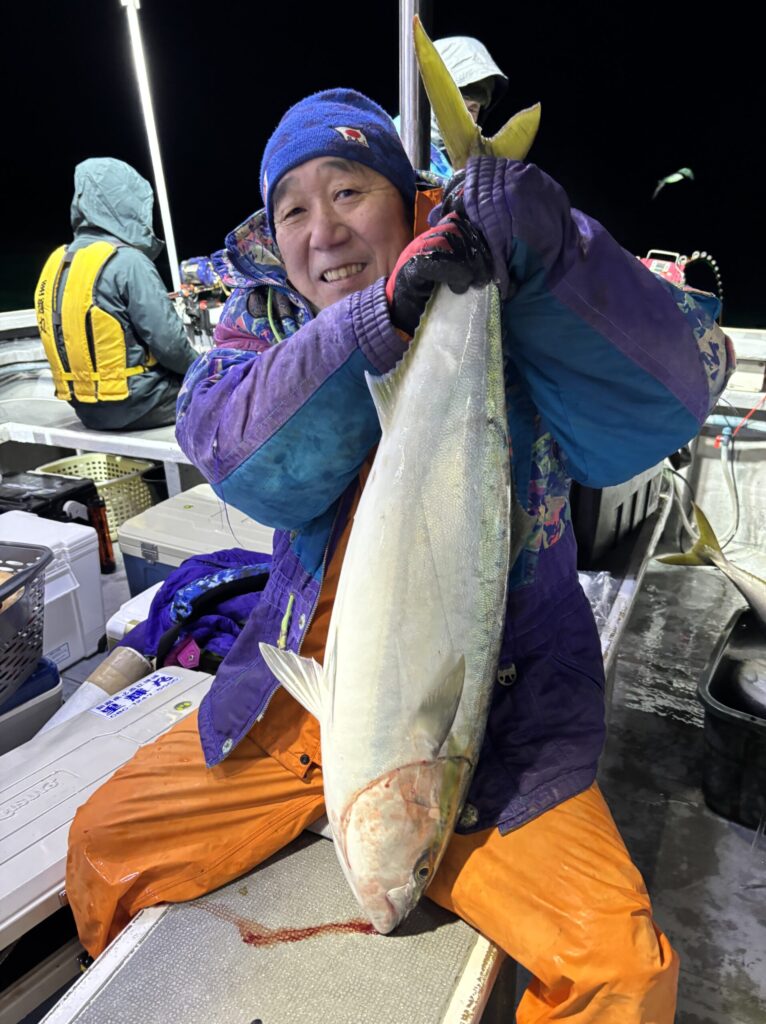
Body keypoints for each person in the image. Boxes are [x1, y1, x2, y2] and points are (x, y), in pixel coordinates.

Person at [66, 89, 734, 1022]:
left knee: (619, 973)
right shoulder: (264, 318)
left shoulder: (515, 302)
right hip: (295, 710)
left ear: (408, 200)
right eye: (294, 210)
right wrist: (373, 319)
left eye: (349, 193)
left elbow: (683, 379)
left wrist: (554, 250)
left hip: (503, 725)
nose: (323, 232)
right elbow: (232, 449)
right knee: (102, 847)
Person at [34, 158, 197, 431]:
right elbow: (171, 346)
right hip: (144, 403)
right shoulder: (128, 261)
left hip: (86, 409)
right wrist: (203, 369)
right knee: (222, 390)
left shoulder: (57, 264)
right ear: (126, 202)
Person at [395, 35, 508, 179]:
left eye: (473, 109)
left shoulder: (471, 163)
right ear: (431, 94)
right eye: (458, 107)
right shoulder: (392, 142)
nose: (467, 118)